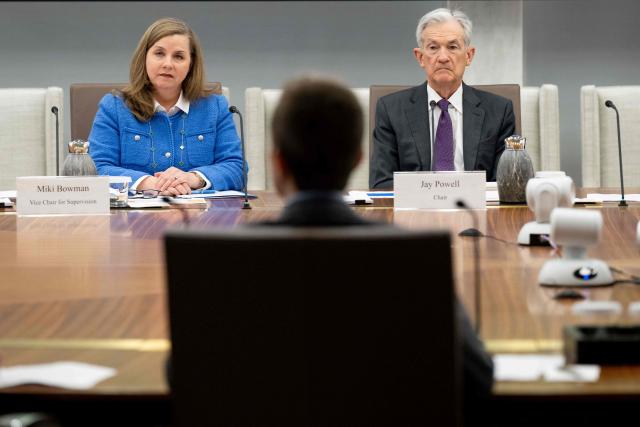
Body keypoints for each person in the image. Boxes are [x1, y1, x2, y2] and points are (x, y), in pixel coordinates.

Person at [262, 77, 494, 424]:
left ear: (277, 164)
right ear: (357, 160)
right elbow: (475, 377)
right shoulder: (411, 255)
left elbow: (183, 373)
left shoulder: (219, 259)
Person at [89, 18, 244, 196]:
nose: (167, 64)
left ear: (191, 64)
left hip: (201, 218)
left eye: (178, 56)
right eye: (159, 53)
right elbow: (97, 168)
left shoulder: (215, 107)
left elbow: (237, 167)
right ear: (144, 57)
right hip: (131, 220)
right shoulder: (114, 107)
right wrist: (150, 183)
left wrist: (194, 178)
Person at [370, 8, 516, 189]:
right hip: (413, 214)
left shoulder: (499, 111)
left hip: (476, 213)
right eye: (433, 48)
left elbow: (506, 185)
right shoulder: (391, 110)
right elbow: (382, 184)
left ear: (469, 55)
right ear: (420, 57)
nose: (443, 57)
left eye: (453, 47)